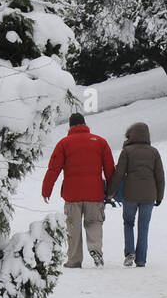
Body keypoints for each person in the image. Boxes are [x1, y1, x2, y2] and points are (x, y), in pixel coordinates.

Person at [42, 112, 115, 267]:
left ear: (70, 126)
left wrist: (46, 190)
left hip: (72, 194)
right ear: (84, 124)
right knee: (94, 222)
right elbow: (109, 169)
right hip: (95, 193)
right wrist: (111, 190)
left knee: (73, 227)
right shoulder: (100, 142)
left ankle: (74, 260)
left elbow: (53, 169)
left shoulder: (64, 143)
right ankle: (95, 249)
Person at [111, 121, 165, 268]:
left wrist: (110, 192)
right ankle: (141, 259)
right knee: (144, 226)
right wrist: (159, 196)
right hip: (149, 195)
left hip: (130, 194)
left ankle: (129, 253)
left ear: (130, 136)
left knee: (128, 223)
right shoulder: (154, 152)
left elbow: (119, 174)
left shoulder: (127, 152)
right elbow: (160, 176)